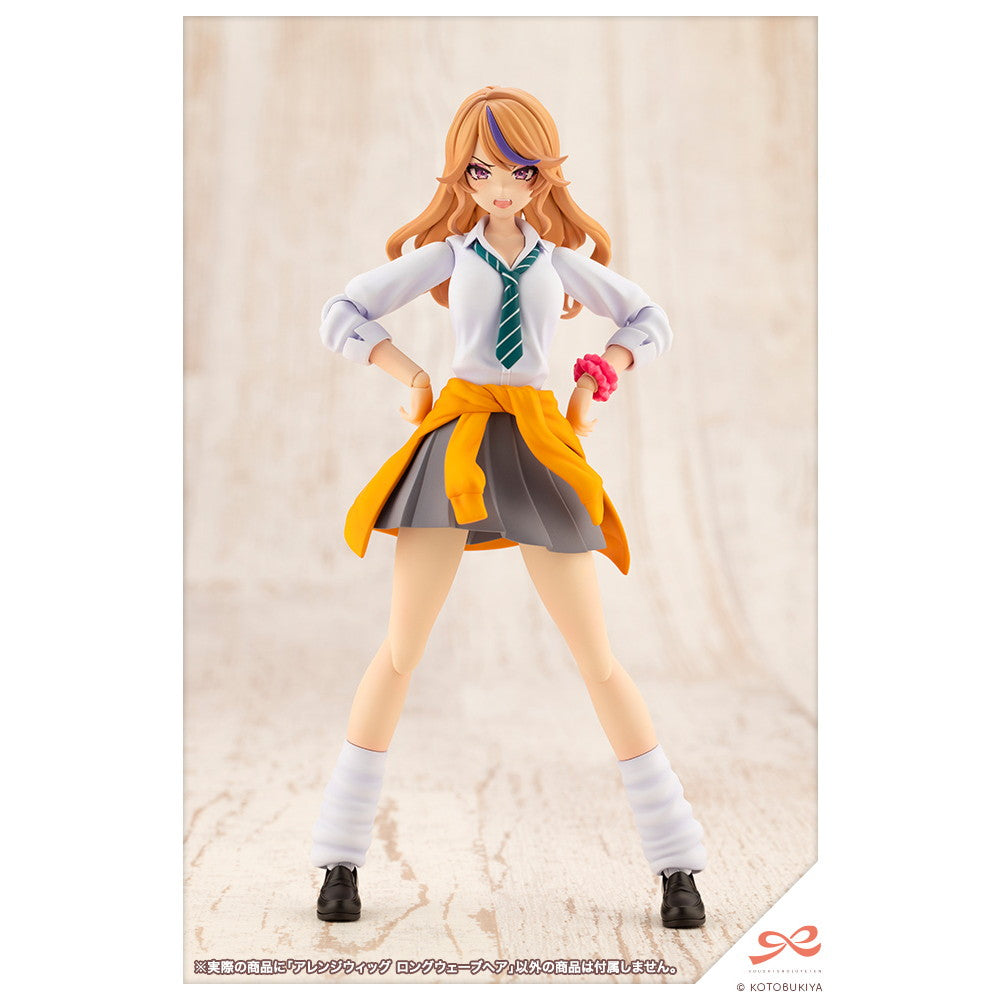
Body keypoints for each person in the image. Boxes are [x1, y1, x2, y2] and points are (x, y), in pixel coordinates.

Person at [311, 86, 707, 928]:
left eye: (519, 172)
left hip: (534, 439)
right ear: (461, 174)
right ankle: (339, 855)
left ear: (542, 177)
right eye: (481, 170)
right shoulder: (449, 256)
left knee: (596, 657)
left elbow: (646, 317)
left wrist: (598, 379)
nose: (499, 187)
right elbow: (343, 310)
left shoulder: (557, 262)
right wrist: (407, 373)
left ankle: (677, 862)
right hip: (456, 436)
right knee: (403, 648)